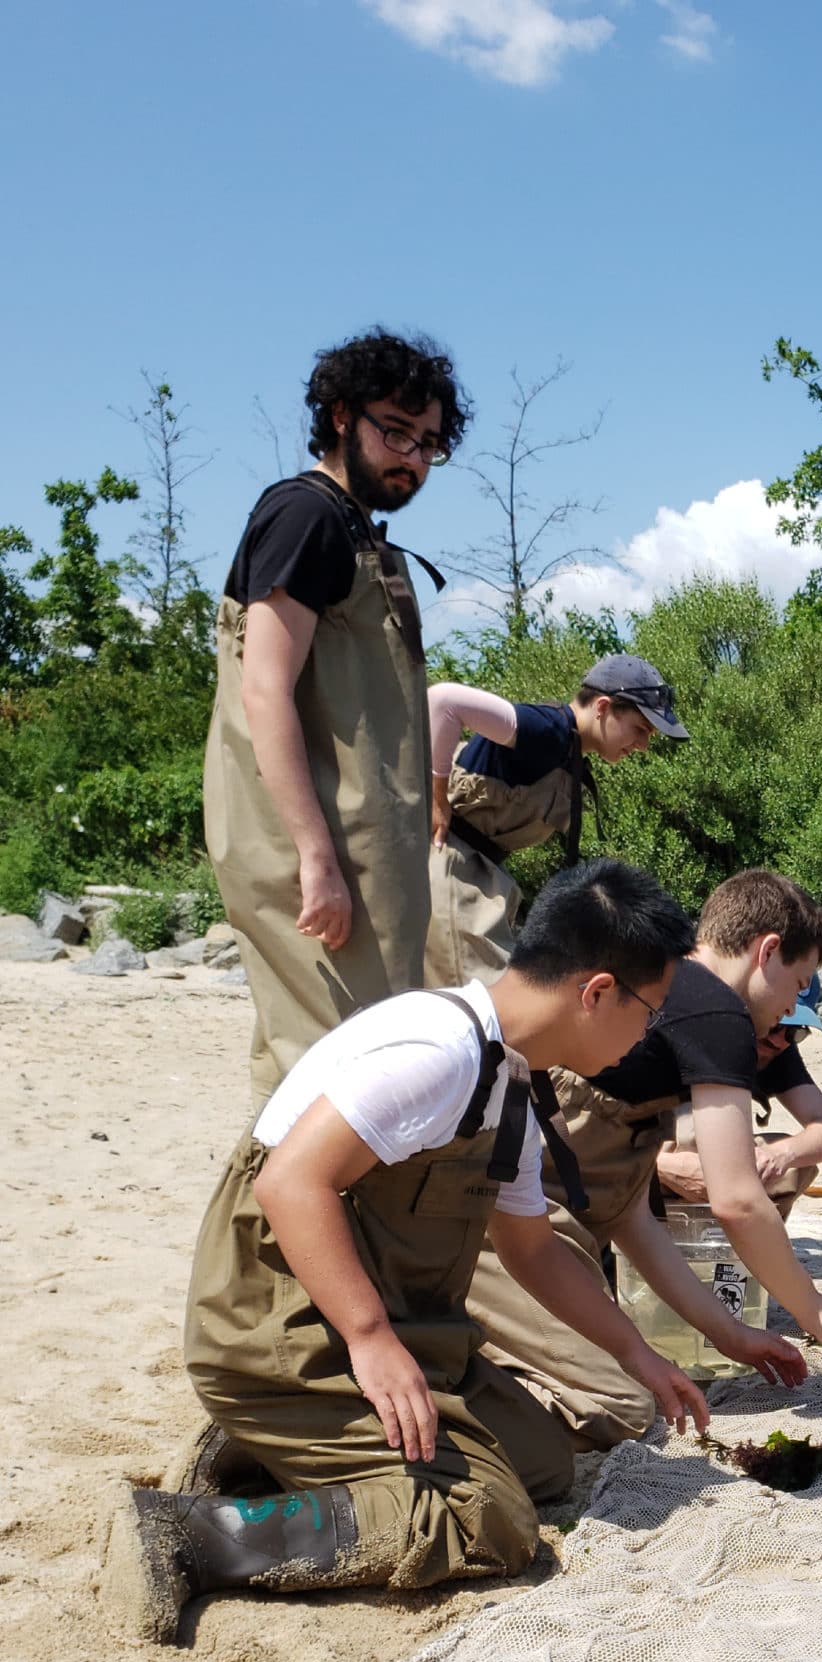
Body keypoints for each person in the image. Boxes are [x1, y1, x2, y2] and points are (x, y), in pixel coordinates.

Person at [106, 862, 709, 1643]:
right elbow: (291, 1185)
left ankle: (257, 1452)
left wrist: (639, 1354)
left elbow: (530, 1248)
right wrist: (368, 1338)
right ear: (596, 992)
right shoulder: (440, 1050)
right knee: (486, 1518)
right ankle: (195, 1533)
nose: (644, 1038)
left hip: (400, 1329)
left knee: (538, 1465)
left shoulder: (506, 1078)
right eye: (648, 1013)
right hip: (286, 1329)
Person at [467, 870, 822, 1443]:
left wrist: (728, 1333)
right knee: (620, 1406)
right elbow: (737, 1200)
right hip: (506, 1226)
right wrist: (816, 1308)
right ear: (766, 952)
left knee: (635, 1383)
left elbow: (630, 1217)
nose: (793, 1004)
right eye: (799, 981)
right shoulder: (719, 1014)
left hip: (542, 1220)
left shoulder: (677, 991)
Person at [205, 330, 467, 1098]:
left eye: (429, 444)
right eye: (396, 431)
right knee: (339, 1084)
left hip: (360, 844)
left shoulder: (347, 523)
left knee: (306, 1077)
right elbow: (264, 691)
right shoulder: (304, 515)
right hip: (319, 845)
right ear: (343, 417)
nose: (412, 458)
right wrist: (315, 857)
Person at [424, 655, 690, 986]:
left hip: (482, 882)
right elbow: (443, 701)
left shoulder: (569, 751)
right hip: (452, 869)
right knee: (492, 1013)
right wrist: (437, 800)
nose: (644, 745)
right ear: (603, 707)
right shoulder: (547, 728)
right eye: (640, 729)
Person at [653, 976, 822, 1219]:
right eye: (776, 1024)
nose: (778, 1041)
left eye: (795, 1033)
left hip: (711, 1176)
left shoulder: (778, 1052)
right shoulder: (683, 1028)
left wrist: (779, 1155)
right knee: (695, 1133)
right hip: (640, 1165)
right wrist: (665, 1168)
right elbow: (601, 1141)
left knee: (797, 1165)